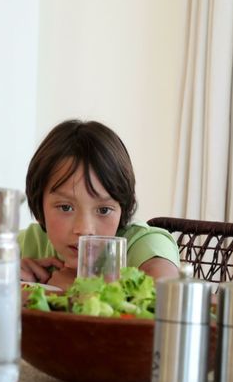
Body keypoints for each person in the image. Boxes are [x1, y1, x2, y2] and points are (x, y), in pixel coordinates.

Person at [18, 120, 180, 291]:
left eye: (103, 210)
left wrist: (83, 290)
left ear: (122, 208)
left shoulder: (144, 245)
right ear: (39, 205)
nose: (84, 229)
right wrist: (3, 278)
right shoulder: (28, 244)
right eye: (66, 207)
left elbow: (167, 297)